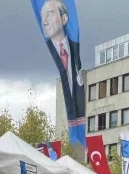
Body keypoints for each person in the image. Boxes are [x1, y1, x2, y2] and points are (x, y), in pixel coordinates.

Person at [39, 0, 85, 138]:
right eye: (42, 16)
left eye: (50, 14)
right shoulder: (48, 50)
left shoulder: (73, 46)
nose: (44, 21)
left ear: (64, 19)